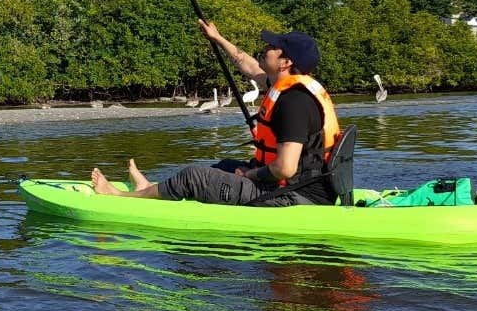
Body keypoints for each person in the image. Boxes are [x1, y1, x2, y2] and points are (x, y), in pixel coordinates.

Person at [90, 19, 341, 206]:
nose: (267, 46)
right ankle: (150, 189)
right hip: (293, 185)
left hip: (296, 196)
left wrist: (251, 174)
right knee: (225, 166)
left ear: (285, 62)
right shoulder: (283, 85)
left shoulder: (294, 102)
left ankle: (123, 197)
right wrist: (217, 38)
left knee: (194, 177)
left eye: (273, 46)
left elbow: (285, 168)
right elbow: (248, 65)